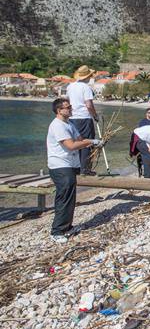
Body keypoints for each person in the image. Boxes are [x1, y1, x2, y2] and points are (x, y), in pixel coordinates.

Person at [47, 98, 102, 243]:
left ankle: (67, 227)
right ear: (59, 111)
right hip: (59, 165)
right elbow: (71, 146)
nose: (71, 109)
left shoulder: (69, 123)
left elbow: (79, 139)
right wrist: (91, 141)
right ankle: (57, 231)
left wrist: (93, 142)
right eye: (68, 107)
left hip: (69, 165)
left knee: (70, 197)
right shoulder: (58, 125)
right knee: (64, 197)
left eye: (71, 106)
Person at [67, 65, 99, 175]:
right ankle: (85, 169)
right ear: (88, 76)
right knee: (87, 143)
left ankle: (76, 168)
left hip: (72, 118)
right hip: (84, 118)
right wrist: (95, 115)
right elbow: (89, 105)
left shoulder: (70, 86)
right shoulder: (86, 87)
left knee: (76, 143)